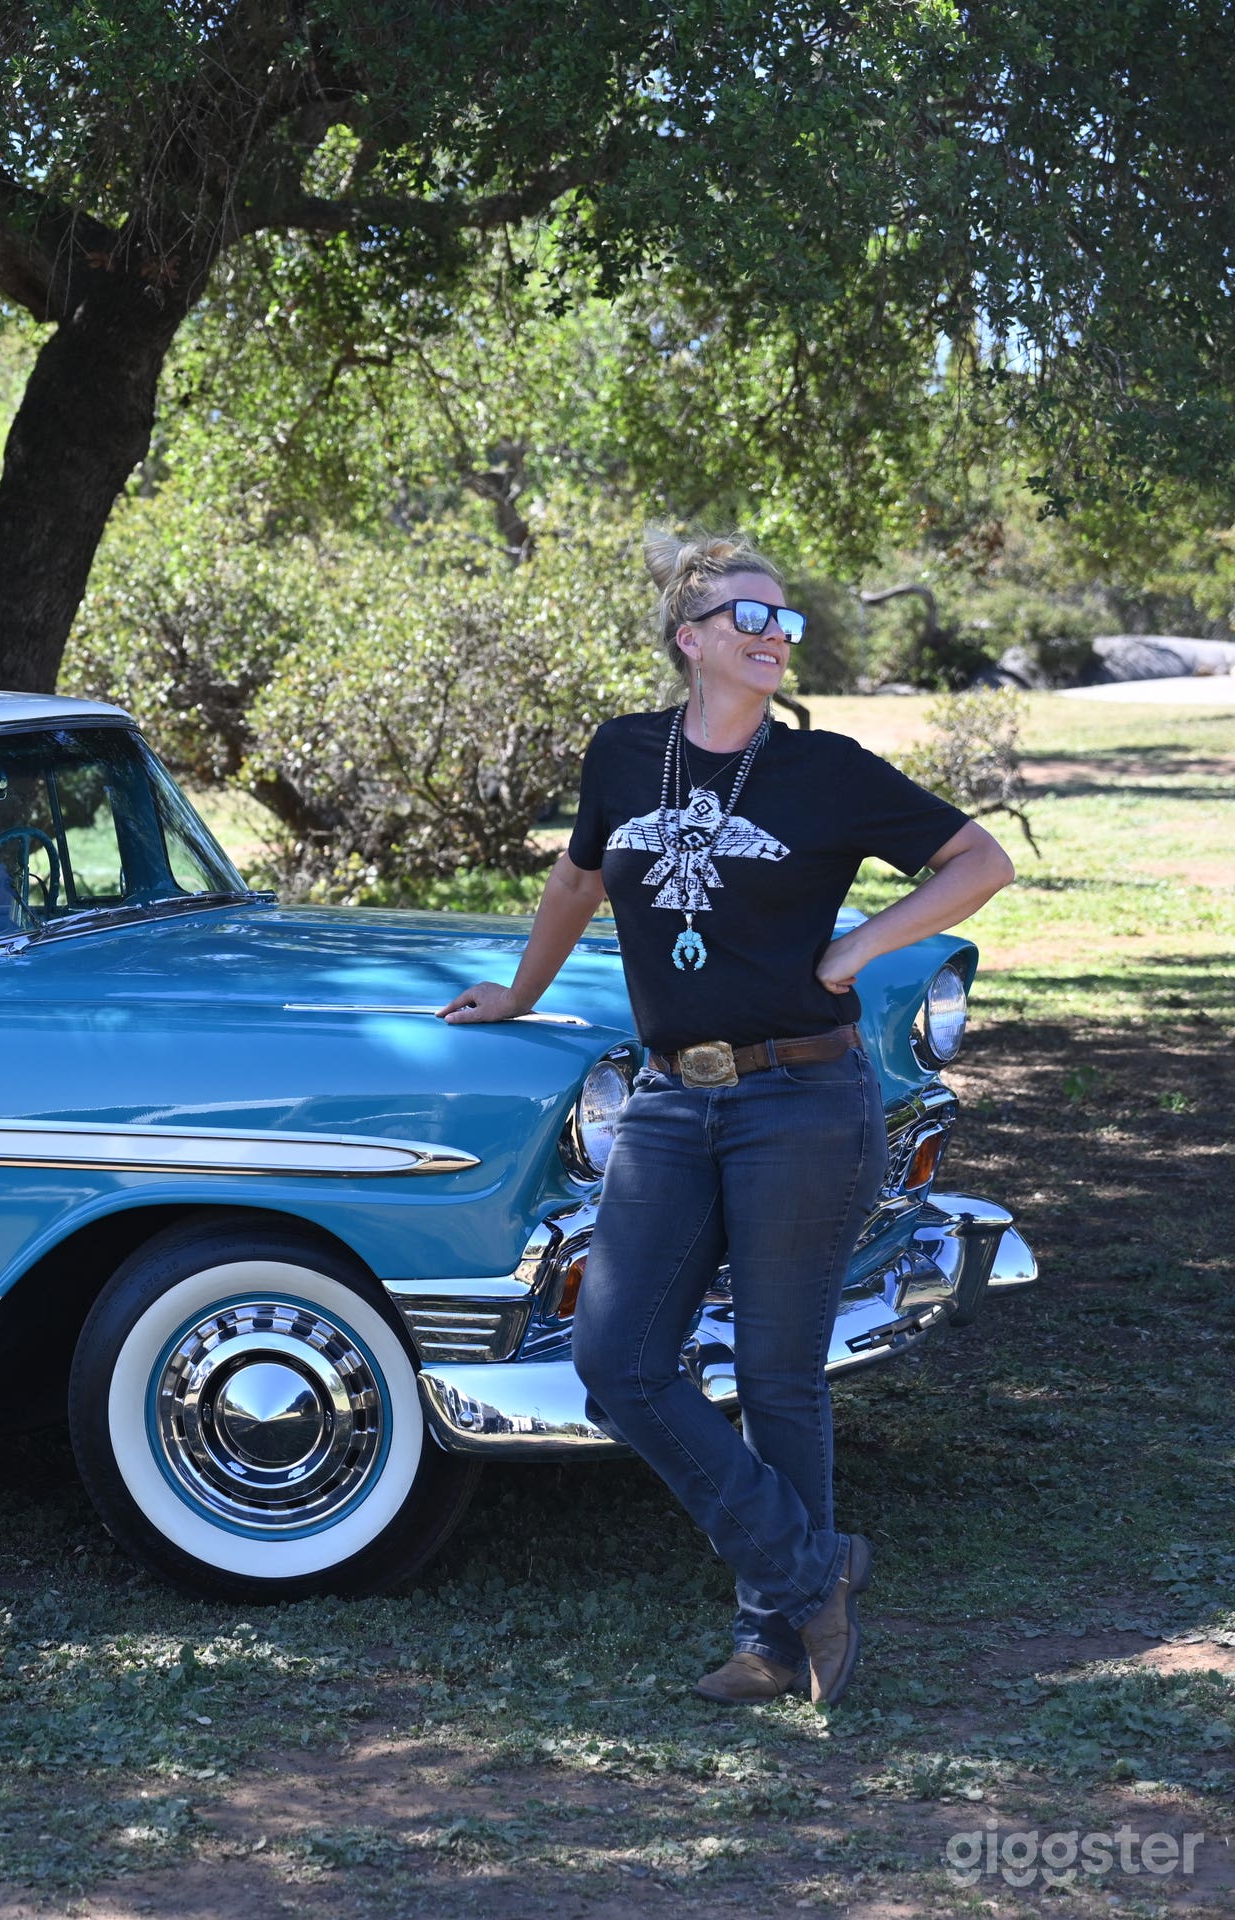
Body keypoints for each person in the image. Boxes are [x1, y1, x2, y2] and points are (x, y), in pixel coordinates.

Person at [440, 531, 1015, 1706]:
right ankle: (813, 1572)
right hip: (667, 1097)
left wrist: (862, 944)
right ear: (689, 638)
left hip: (802, 1095)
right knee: (614, 1360)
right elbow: (576, 882)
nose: (771, 635)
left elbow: (979, 860)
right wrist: (519, 995)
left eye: (785, 621)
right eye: (748, 617)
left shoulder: (827, 770)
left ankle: (774, 1638)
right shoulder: (626, 753)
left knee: (777, 1371)